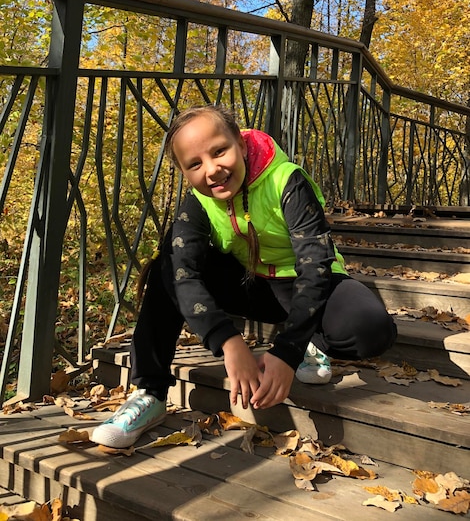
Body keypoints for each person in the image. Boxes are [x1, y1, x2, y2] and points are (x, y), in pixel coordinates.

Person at [91, 105, 397, 448]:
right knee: (168, 264)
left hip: (305, 283)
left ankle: (313, 344)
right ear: (183, 172)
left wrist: (288, 351)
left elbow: (316, 265)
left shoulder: (286, 180)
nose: (212, 170)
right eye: (195, 164)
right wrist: (228, 341)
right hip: (251, 286)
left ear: (239, 141)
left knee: (371, 329)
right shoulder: (198, 202)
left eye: (219, 151)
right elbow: (184, 273)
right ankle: (150, 392)